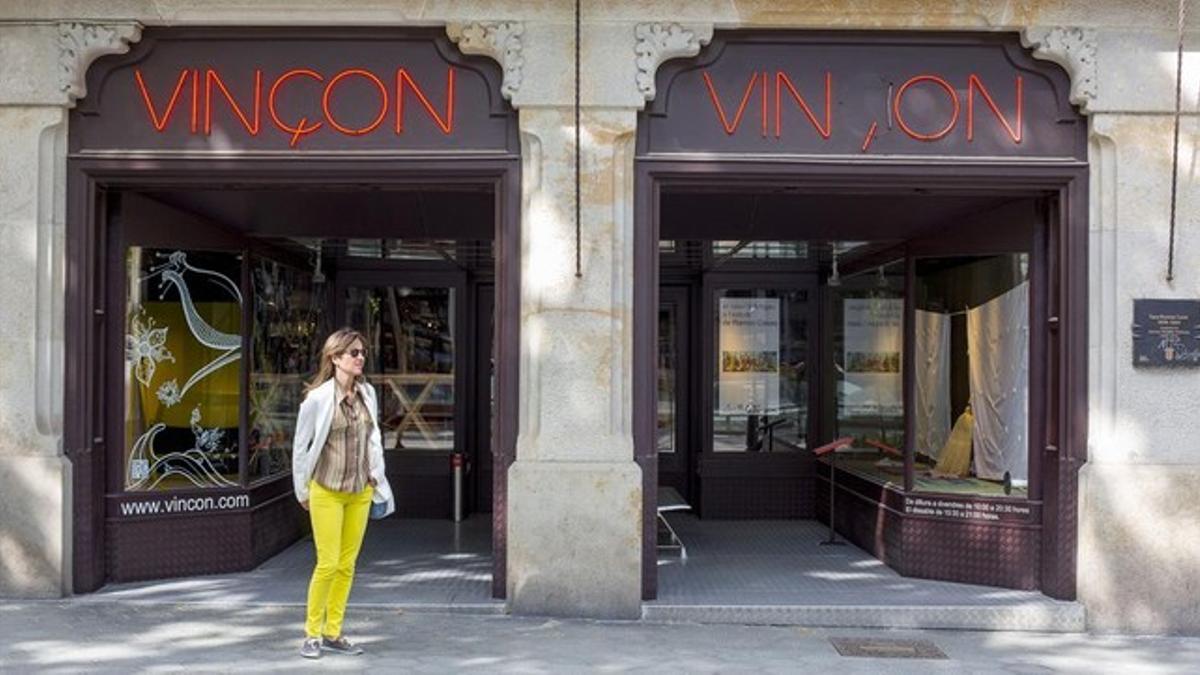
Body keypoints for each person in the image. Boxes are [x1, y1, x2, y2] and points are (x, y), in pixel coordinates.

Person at [292, 328, 395, 659]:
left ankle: (333, 631)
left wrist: (375, 477)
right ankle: (312, 633)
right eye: (353, 353)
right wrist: (301, 490)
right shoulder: (317, 399)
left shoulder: (367, 393)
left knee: (347, 565)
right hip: (327, 490)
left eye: (362, 352)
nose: (360, 357)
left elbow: (374, 437)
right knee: (328, 563)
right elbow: (300, 447)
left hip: (359, 491)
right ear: (334, 358)